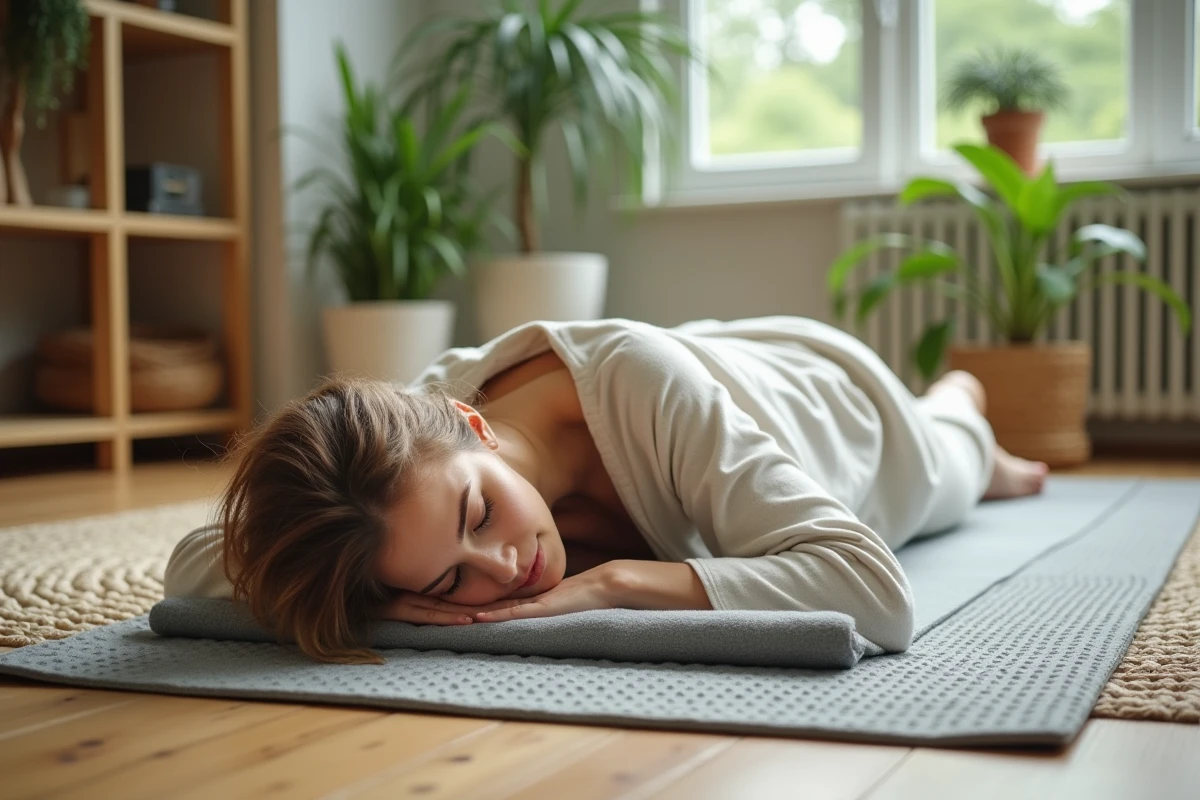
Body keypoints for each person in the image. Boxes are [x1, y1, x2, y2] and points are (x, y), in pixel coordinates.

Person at [164, 316, 1047, 665]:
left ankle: (958, 404)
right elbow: (193, 570)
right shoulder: (400, 465)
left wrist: (614, 583)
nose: (503, 567)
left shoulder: (442, 424)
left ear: (471, 423)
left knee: (964, 468)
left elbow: (878, 597)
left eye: (479, 515)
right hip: (704, 378)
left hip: (836, 412)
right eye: (446, 584)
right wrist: (367, 595)